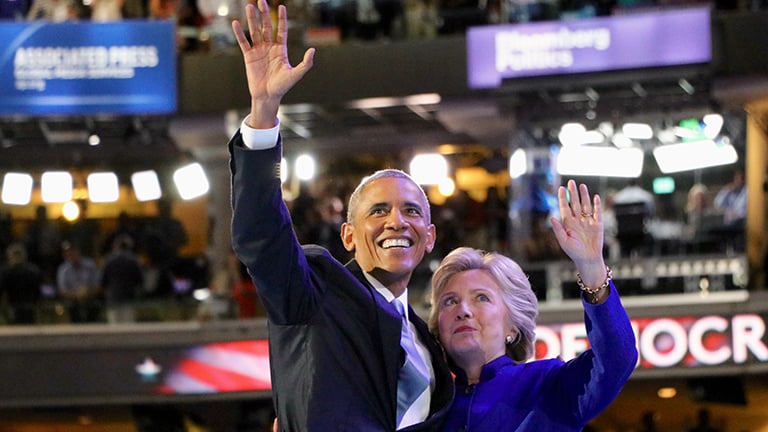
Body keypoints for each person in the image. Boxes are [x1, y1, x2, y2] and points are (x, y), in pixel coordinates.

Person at [227, 1, 453, 430]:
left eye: (411, 212)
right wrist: (264, 110)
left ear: (429, 237)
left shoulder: (431, 346)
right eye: (379, 211)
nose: (396, 222)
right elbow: (259, 233)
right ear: (348, 236)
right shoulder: (314, 289)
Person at [428, 180, 638, 431]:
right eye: (450, 301)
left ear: (513, 327)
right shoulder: (425, 405)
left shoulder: (549, 385)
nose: (463, 310)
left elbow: (617, 358)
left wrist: (592, 267)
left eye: (481, 298)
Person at [0, 242, 43, 324]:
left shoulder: (5, 272)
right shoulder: (33, 270)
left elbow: (38, 290)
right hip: (22, 307)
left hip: (20, 307)